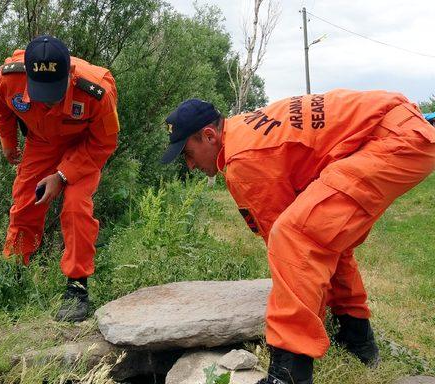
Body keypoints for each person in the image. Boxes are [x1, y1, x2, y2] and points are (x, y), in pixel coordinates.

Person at [161, 90, 435, 383]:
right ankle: (358, 339)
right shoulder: (244, 133)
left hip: (395, 141)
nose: (189, 165)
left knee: (294, 236)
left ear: (209, 136)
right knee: (320, 233)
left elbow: (292, 253)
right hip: (398, 131)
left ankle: (289, 372)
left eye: (187, 153)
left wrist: (301, 312)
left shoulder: (244, 160)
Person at [0, 35, 120, 322]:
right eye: (41, 92)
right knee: (25, 203)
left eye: (55, 92)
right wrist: (8, 142)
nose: (48, 102)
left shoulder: (97, 90)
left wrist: (62, 176)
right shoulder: (9, 78)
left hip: (83, 148)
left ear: (70, 74)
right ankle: (14, 273)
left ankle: (76, 287)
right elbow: (0, 111)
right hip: (41, 143)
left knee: (75, 207)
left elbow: (104, 144)